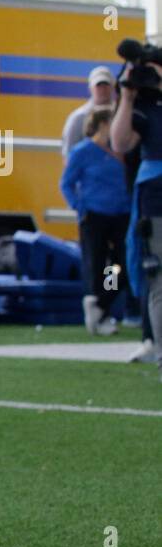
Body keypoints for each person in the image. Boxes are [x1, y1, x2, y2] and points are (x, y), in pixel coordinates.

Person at [111, 60, 162, 379]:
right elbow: (119, 143)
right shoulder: (144, 107)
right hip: (155, 195)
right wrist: (127, 97)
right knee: (158, 278)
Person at [62, 107, 131, 335]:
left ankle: (100, 304)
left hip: (121, 214)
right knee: (96, 263)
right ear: (102, 124)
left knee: (118, 264)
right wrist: (79, 208)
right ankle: (101, 314)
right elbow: (67, 183)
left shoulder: (121, 151)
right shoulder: (83, 151)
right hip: (94, 215)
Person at [61, 66, 116, 161]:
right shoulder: (78, 117)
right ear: (90, 88)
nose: (103, 89)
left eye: (106, 84)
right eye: (98, 85)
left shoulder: (120, 115)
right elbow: (69, 153)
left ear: (112, 87)